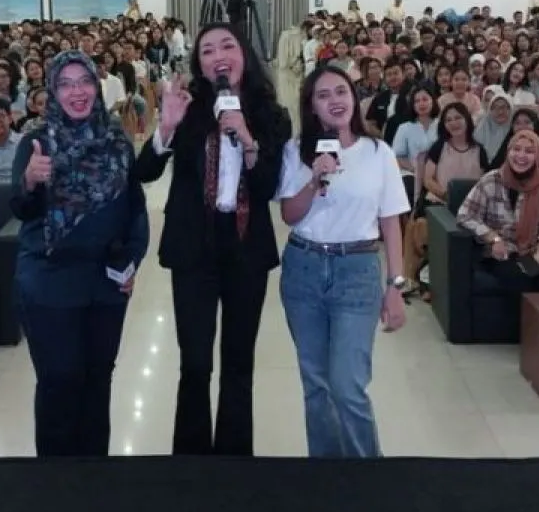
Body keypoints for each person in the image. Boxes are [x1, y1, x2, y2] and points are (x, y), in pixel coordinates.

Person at [133, 23, 291, 456]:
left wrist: (249, 139)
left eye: (227, 46)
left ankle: (234, 462)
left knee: (239, 363)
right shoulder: (188, 107)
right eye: (207, 50)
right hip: (193, 248)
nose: (218, 56)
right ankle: (191, 462)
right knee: (195, 362)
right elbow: (143, 173)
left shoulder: (272, 115)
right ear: (199, 64)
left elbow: (267, 188)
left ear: (244, 55)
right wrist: (165, 129)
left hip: (246, 247)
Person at [11, 51, 149, 456]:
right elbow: (20, 209)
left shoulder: (116, 141)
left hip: (105, 282)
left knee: (97, 380)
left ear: (97, 85)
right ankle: (57, 479)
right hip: (49, 281)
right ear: (52, 91)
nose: (77, 92)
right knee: (60, 380)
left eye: (84, 81)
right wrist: (30, 181)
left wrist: (131, 262)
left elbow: (135, 209)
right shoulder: (36, 142)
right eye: (66, 84)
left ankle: (94, 476)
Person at [276, 66, 409, 458]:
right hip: (304, 268)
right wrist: (314, 180)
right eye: (323, 95)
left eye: (341, 91)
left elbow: (391, 223)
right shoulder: (296, 151)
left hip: (357, 269)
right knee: (316, 384)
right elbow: (289, 215)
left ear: (353, 97)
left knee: (347, 385)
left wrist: (395, 286)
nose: (334, 101)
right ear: (311, 106)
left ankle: (365, 473)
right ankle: (326, 473)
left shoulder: (378, 153)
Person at [457, 130, 539, 293]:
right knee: (518, 279)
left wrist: (538, 255)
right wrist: (494, 238)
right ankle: (524, 310)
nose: (521, 156)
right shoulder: (491, 180)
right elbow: (465, 215)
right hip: (505, 249)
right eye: (516, 149)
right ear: (508, 152)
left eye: (529, 151)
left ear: (538, 156)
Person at [405, 102, 488, 293]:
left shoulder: (479, 150)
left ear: (467, 119)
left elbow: (485, 183)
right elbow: (427, 179)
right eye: (448, 120)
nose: (454, 123)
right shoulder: (439, 147)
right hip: (439, 203)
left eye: (458, 117)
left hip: (470, 208)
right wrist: (446, 194)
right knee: (421, 228)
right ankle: (419, 277)